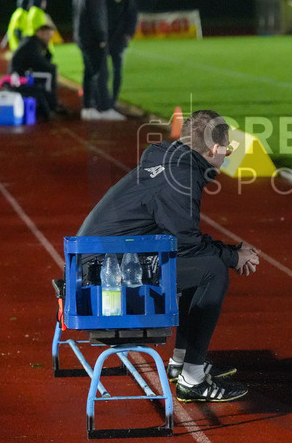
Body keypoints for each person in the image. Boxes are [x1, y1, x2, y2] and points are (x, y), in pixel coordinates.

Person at [77, 109, 260, 403]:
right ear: (214, 148)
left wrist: (230, 252)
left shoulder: (171, 161)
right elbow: (186, 244)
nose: (227, 155)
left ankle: (182, 361)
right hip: (104, 276)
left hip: (101, 262)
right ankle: (193, 378)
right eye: (227, 148)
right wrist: (232, 257)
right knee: (212, 270)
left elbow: (182, 238)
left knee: (205, 266)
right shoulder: (182, 176)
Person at [72, 0, 124, 121]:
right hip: (94, 41)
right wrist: (102, 39)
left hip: (82, 40)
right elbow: (97, 18)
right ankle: (105, 108)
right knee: (102, 74)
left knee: (88, 74)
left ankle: (88, 108)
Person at [8, 23, 63, 117]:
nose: (49, 38)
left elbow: (41, 62)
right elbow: (41, 64)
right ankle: (52, 104)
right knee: (50, 73)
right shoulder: (33, 44)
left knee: (50, 70)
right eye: (47, 35)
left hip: (21, 72)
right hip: (19, 76)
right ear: (39, 33)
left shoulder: (33, 42)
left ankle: (51, 103)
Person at [100, 0, 139, 103]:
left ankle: (114, 98)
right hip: (101, 40)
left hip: (118, 40)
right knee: (101, 71)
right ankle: (101, 97)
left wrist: (129, 33)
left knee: (117, 70)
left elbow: (132, 16)